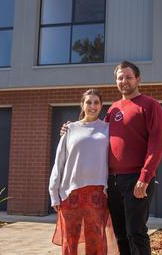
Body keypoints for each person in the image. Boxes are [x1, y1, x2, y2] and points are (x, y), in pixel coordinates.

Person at [62, 61, 162, 255]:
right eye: (120, 78)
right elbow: (94, 131)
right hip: (112, 181)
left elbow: (158, 144)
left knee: (136, 232)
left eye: (128, 77)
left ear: (138, 79)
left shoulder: (150, 105)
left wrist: (145, 177)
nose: (124, 81)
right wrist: (71, 128)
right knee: (119, 234)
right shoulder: (113, 110)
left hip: (136, 179)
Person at [49, 89, 113, 255]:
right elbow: (59, 162)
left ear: (101, 105)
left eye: (96, 102)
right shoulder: (70, 129)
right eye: (88, 102)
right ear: (82, 105)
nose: (92, 106)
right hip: (71, 193)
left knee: (96, 240)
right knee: (71, 240)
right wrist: (54, 193)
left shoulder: (108, 129)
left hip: (98, 193)